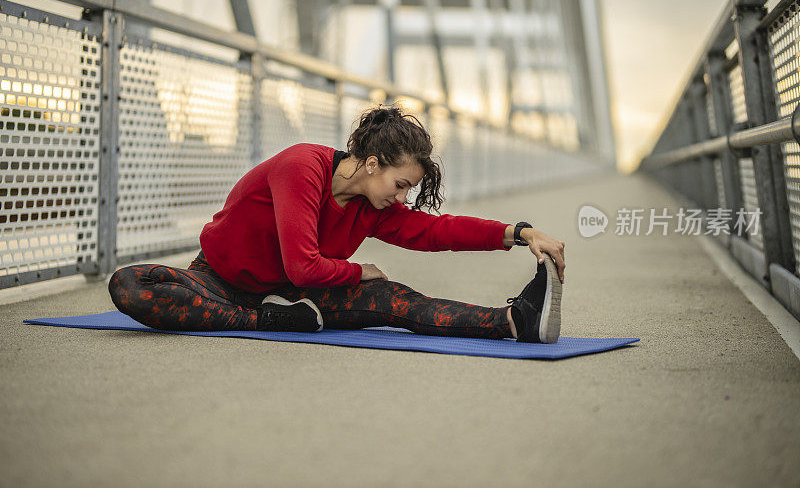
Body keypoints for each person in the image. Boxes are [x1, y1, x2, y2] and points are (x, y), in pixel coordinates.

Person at [108, 106, 567, 343]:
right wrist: (358, 271)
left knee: (399, 302)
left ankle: (514, 322)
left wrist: (519, 232)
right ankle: (267, 319)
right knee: (133, 285)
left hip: (297, 296)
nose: (401, 197)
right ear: (371, 163)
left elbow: (435, 231)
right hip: (221, 281)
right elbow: (305, 266)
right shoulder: (301, 168)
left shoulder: (372, 204)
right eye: (401, 184)